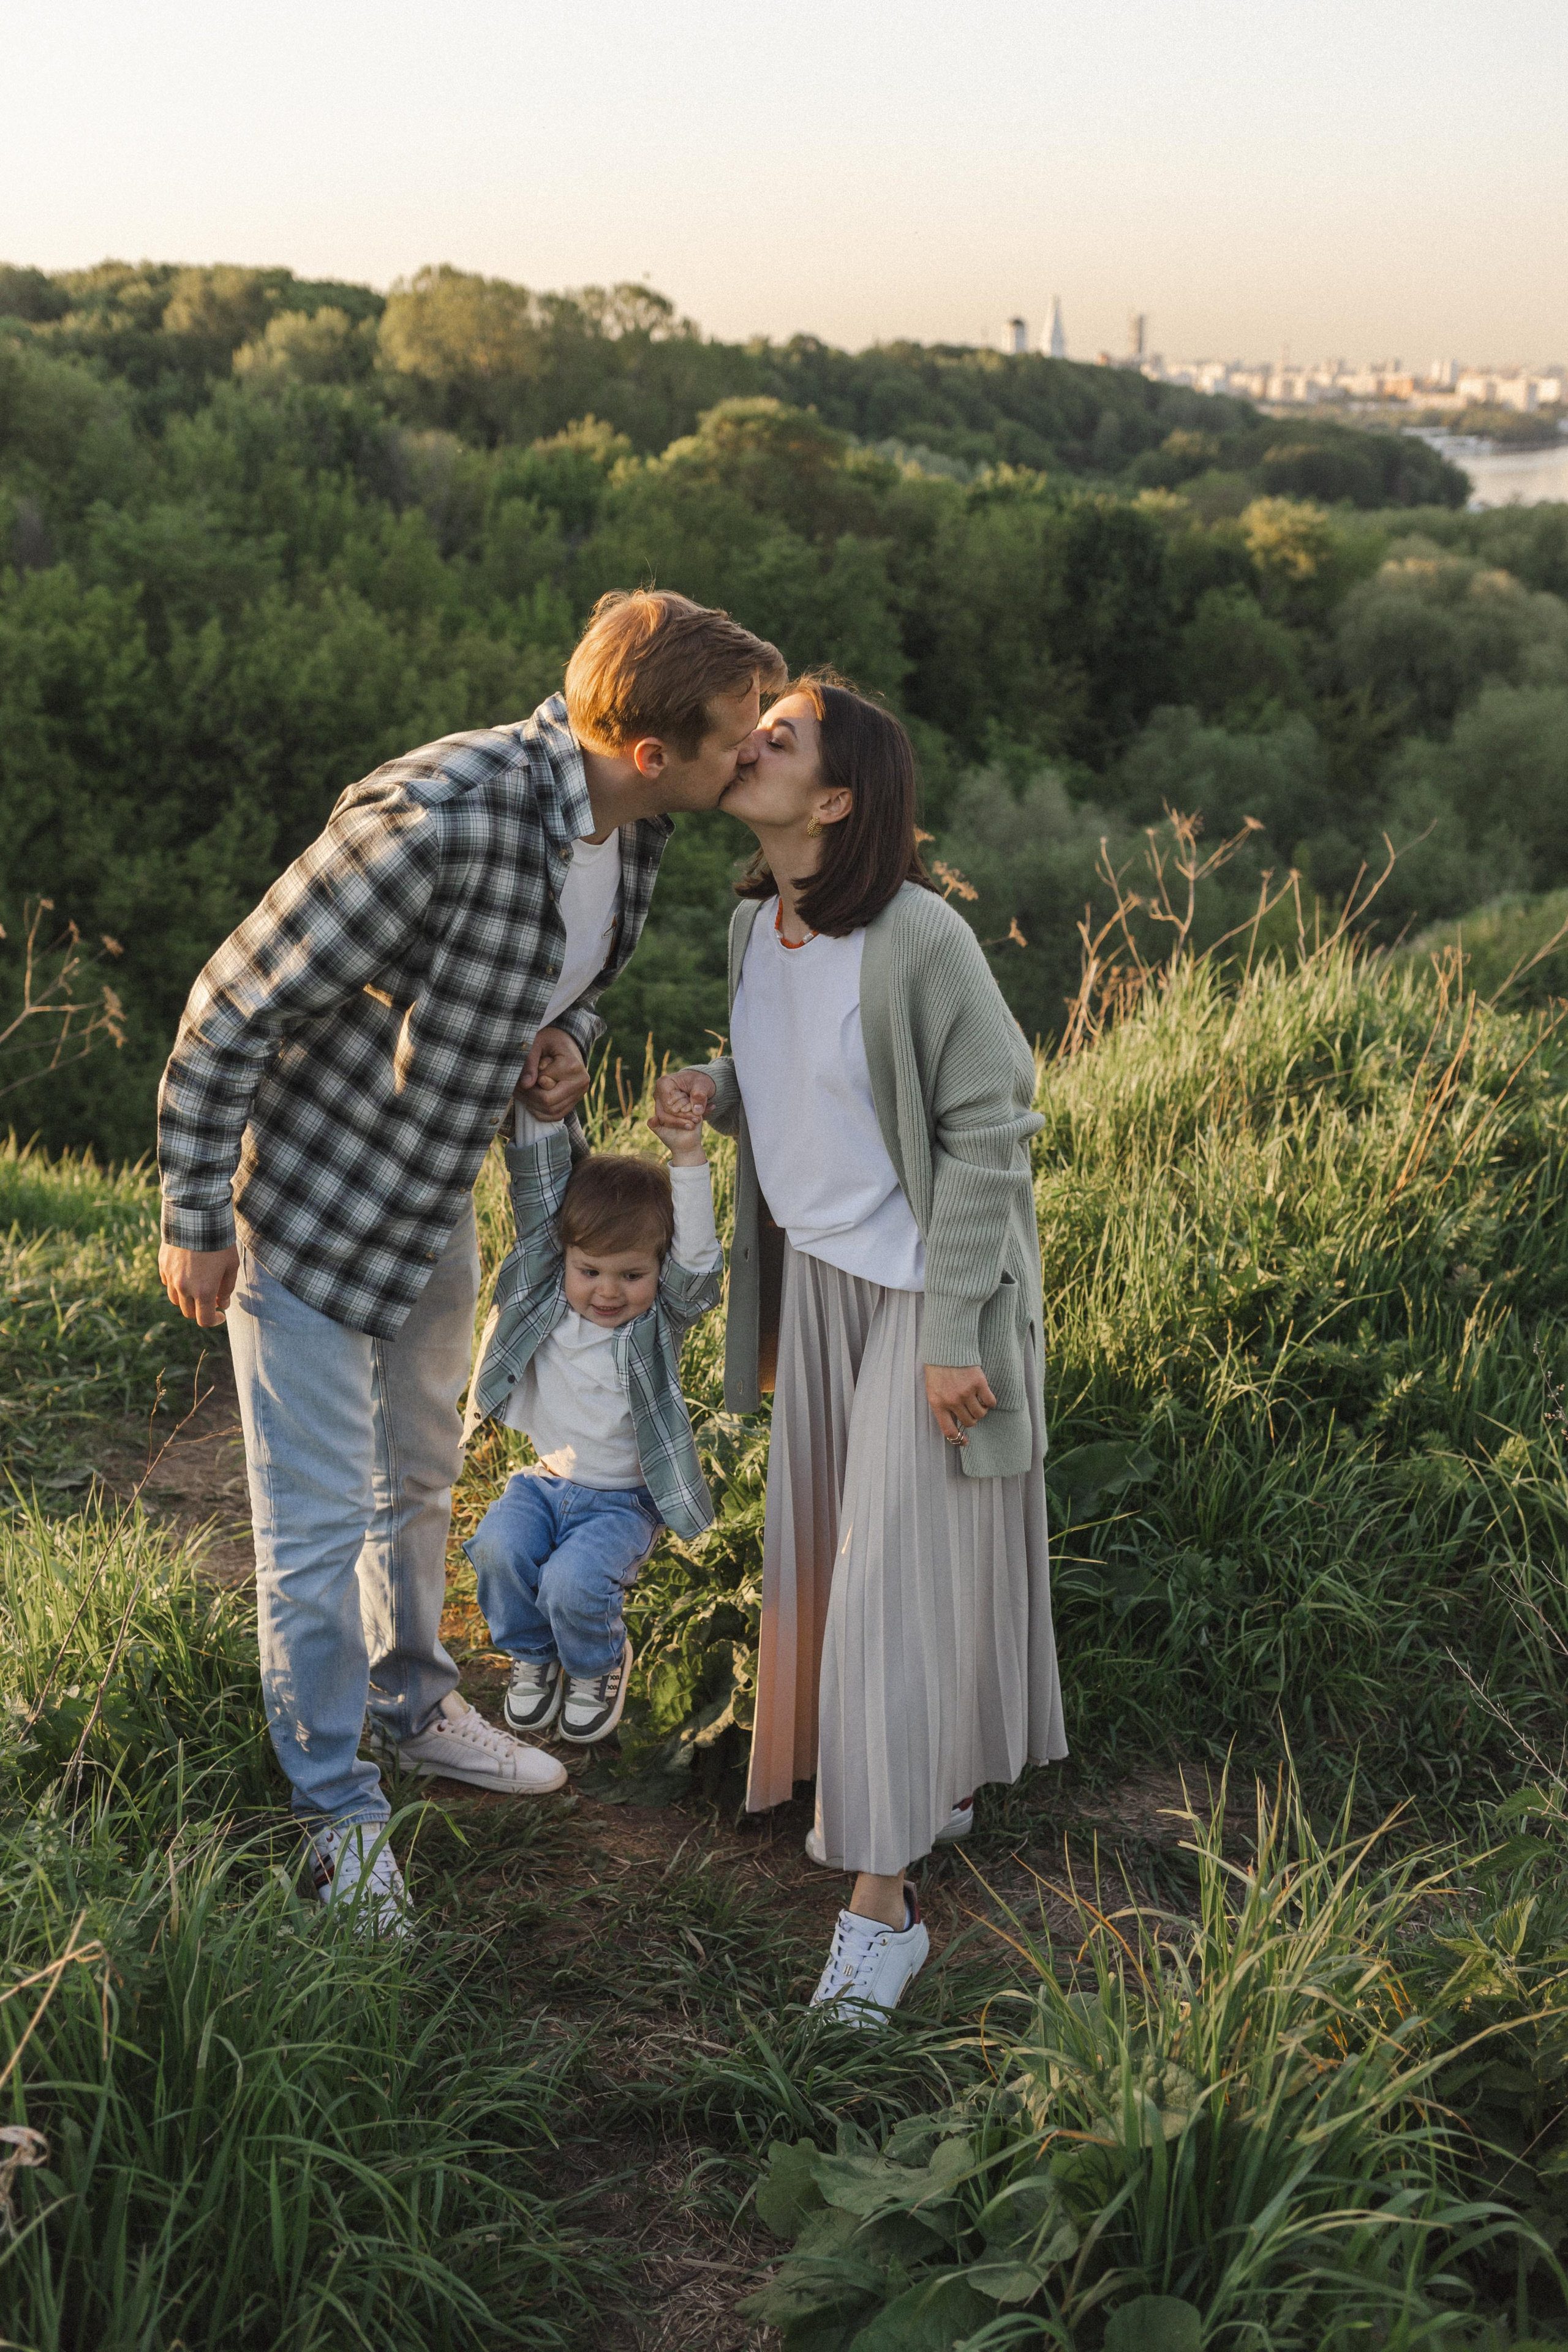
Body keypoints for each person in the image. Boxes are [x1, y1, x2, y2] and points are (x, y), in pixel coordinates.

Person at [157, 590, 785, 1931]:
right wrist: (194, 1214)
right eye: (741, 731)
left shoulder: (631, 829)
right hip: (313, 1210)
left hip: (434, 1199)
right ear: (654, 750)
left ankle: (412, 1707)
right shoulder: (439, 819)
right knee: (314, 1533)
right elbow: (226, 1009)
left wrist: (560, 1042)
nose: (760, 746)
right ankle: (335, 1812)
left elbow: (556, 985)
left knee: (421, 1480)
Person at [655, 673, 1066, 2024]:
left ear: (834, 801)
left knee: (887, 1585)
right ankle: (921, 1789)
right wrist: (717, 1095)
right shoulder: (754, 927)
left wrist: (955, 1331)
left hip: (924, 1296)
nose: (749, 739)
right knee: (842, 1564)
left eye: (780, 734)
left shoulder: (920, 935)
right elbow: (814, 1086)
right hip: (821, 1289)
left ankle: (882, 1914)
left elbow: (990, 1130)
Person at [461, 1107, 721, 1746]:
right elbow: (538, 1190)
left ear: (657, 1271)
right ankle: (534, 1653)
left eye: (632, 1275)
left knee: (572, 1583)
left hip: (623, 1502)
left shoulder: (657, 1323)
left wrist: (688, 1155)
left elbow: (697, 1265)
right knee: (496, 1549)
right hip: (544, 1483)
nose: (607, 1292)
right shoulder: (544, 1296)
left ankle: (594, 1664)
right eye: (591, 1272)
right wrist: (539, 1107)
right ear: (566, 1259)